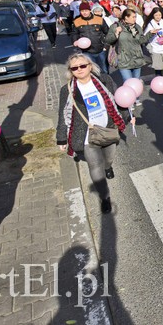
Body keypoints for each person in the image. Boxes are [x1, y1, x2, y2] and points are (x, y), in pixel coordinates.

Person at [56, 54, 131, 214]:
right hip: (85, 134)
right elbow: (63, 114)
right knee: (94, 165)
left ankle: (108, 167)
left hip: (108, 128)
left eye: (83, 66)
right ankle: (105, 197)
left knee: (109, 158)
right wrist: (61, 138)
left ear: (90, 66)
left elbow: (119, 100)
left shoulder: (105, 81)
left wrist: (128, 116)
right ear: (71, 71)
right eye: (74, 68)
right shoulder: (67, 90)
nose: (79, 70)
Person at [105, 8, 150, 84]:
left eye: (135, 17)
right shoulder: (115, 26)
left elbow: (141, 41)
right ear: (126, 17)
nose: (135, 19)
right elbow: (108, 40)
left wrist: (150, 34)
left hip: (137, 59)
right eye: (133, 17)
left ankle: (136, 96)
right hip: (124, 60)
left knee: (136, 83)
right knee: (128, 83)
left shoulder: (137, 27)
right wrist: (116, 34)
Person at [73, 1, 109, 74]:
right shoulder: (77, 21)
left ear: (90, 10)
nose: (84, 13)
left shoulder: (99, 19)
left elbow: (107, 32)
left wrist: (106, 46)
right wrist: (75, 41)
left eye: (86, 10)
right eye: (82, 11)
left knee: (104, 69)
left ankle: (107, 83)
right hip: (86, 51)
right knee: (91, 70)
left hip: (100, 49)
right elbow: (74, 33)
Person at [144, 7, 163, 76]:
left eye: (159, 15)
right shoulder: (150, 24)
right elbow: (145, 37)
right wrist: (151, 33)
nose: (158, 17)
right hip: (155, 48)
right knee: (158, 69)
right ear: (153, 15)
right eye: (156, 15)